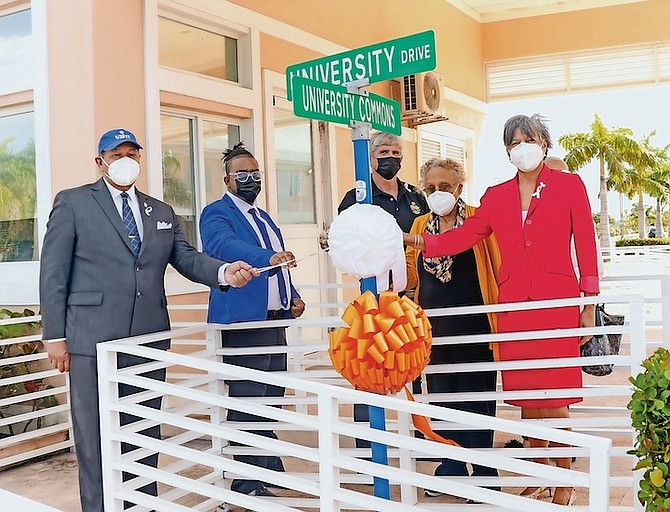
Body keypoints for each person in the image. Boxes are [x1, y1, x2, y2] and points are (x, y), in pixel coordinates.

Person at [39, 128, 257, 512]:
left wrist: (224, 272)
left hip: (148, 337)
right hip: (91, 340)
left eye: (133, 153)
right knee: (95, 436)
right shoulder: (73, 203)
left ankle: (141, 504)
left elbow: (187, 258)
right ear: (100, 160)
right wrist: (55, 335)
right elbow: (53, 271)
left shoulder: (161, 211)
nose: (126, 159)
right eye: (117, 153)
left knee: (142, 429)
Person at [404, 114, 599, 506]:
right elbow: (461, 237)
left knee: (555, 397)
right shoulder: (496, 196)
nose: (522, 147)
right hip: (513, 309)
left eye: (529, 139)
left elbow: (587, 245)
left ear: (544, 143)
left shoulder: (569, 185)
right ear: (507, 150)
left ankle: (564, 479)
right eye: (514, 142)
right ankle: (539, 472)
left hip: (556, 304)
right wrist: (414, 240)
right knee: (528, 399)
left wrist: (588, 303)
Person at [199, 142, 305, 497]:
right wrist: (269, 256)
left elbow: (281, 264)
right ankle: (245, 481)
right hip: (243, 323)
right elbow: (224, 246)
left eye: (255, 174)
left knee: (272, 397)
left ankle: (263, 465)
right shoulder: (216, 214)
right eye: (242, 174)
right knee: (247, 401)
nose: (250, 179)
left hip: (275, 322)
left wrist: (293, 295)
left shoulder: (265, 218)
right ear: (228, 179)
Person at [319, 130, 429, 449]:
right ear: (371, 157)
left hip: (410, 294)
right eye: (383, 152)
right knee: (368, 362)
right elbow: (339, 239)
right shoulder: (357, 197)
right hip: (374, 298)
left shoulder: (414, 196)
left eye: (396, 152)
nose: (390, 158)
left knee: (412, 363)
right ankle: (368, 442)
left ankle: (417, 438)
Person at [405, 157, 501, 497]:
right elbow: (410, 273)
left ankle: (485, 472)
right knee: (444, 399)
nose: (437, 193)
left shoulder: (479, 219)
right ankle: (453, 466)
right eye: (430, 187)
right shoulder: (418, 227)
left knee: (477, 398)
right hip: (434, 330)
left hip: (475, 326)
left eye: (444, 186)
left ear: (459, 186)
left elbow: (498, 265)